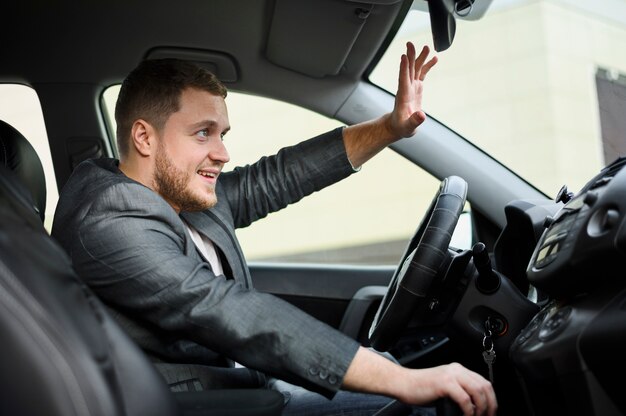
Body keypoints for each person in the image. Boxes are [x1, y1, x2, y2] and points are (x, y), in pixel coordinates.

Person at [52, 42, 497, 416]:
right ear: (145, 138)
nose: (223, 152)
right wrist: (402, 381)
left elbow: (277, 177)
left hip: (241, 381)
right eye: (203, 133)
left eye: (222, 133)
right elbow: (223, 309)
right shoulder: (109, 218)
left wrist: (390, 127)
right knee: (416, 403)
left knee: (388, 372)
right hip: (200, 402)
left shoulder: (170, 191)